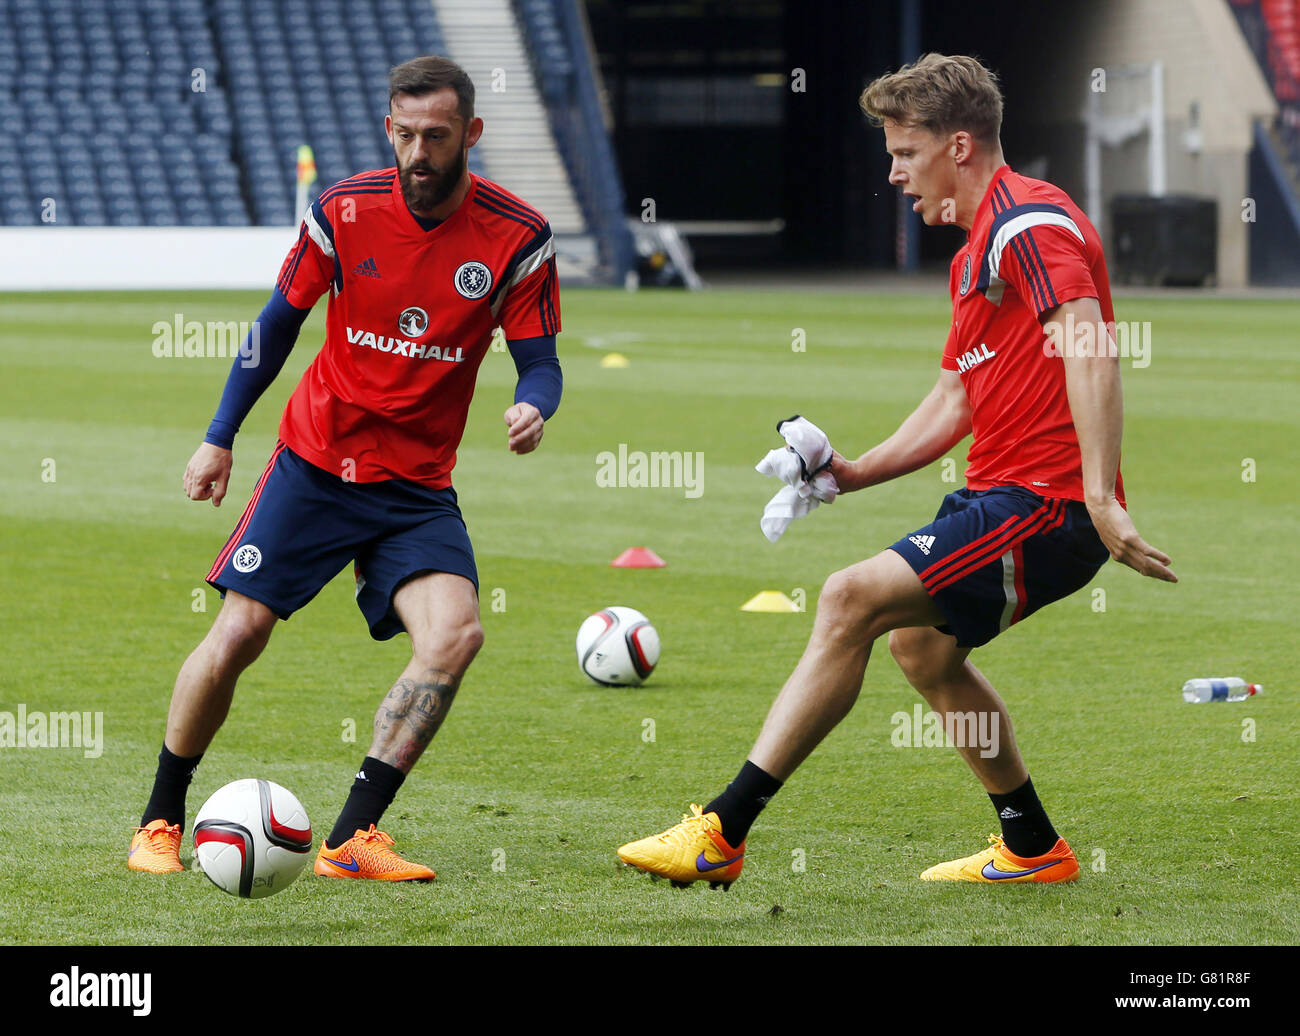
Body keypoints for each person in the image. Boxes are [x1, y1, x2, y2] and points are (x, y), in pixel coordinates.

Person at [618, 53, 1175, 887]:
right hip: (999, 493)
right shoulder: (974, 255)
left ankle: (720, 832)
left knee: (848, 597)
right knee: (921, 649)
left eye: (903, 152)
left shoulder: (1030, 225)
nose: (892, 173)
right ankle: (1032, 847)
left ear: (957, 145)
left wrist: (1098, 494)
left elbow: (1089, 342)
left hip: (1047, 503)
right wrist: (847, 472)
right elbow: (957, 397)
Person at [128, 55, 562, 881]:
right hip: (316, 466)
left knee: (455, 636)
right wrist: (220, 434)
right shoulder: (343, 210)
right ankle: (158, 819)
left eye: (436, 135)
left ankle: (352, 837)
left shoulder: (518, 235)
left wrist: (536, 402)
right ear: (386, 130)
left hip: (416, 488)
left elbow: (540, 359)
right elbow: (276, 326)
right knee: (240, 632)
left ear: (471, 132)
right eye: (404, 134)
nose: (419, 152)